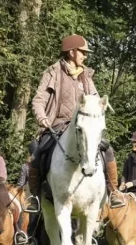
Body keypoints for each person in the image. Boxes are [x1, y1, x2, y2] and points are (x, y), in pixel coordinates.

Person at [29, 34, 118, 199]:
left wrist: (101, 106)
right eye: (82, 52)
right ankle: (33, 197)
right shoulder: (52, 73)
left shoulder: (86, 76)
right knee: (37, 153)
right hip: (57, 125)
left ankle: (113, 192)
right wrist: (41, 117)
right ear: (71, 52)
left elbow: (96, 100)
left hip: (83, 127)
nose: (85, 56)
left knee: (108, 150)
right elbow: (38, 100)